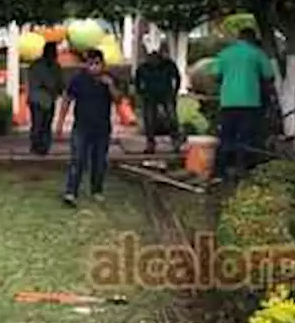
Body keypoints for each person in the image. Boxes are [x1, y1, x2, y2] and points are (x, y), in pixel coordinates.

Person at [55, 49, 120, 207]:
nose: (93, 67)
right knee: (77, 159)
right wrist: (60, 123)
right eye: (90, 63)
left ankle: (96, 190)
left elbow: (118, 100)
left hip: (102, 128)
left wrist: (110, 86)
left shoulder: (109, 79)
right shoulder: (78, 80)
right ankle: (71, 192)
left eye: (97, 63)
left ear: (103, 64)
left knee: (99, 161)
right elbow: (67, 100)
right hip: (81, 127)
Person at [212, 28, 275, 182]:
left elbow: (215, 75)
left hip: (228, 102)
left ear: (238, 38)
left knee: (226, 136)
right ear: (252, 39)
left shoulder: (225, 53)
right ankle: (241, 168)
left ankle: (221, 171)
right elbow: (269, 75)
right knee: (246, 137)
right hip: (250, 102)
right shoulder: (257, 53)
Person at [135, 45, 184, 155]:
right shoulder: (144, 67)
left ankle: (175, 140)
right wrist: (141, 93)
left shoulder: (168, 64)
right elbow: (137, 81)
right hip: (150, 95)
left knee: (172, 118)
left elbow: (177, 77)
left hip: (166, 93)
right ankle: (151, 143)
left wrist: (175, 91)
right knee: (149, 119)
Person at [27, 42, 65, 155]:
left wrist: (61, 90)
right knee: (38, 124)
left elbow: (60, 82)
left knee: (46, 124)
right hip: (38, 100)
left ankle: (44, 147)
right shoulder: (37, 65)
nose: (54, 54)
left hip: (49, 100)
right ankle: (36, 146)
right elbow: (44, 83)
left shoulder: (56, 66)